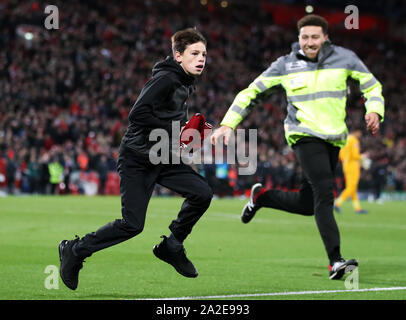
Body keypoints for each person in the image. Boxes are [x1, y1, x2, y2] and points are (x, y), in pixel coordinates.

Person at [211, 14, 384, 280]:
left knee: (307, 203)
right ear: (298, 38)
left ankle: (261, 198)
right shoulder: (285, 65)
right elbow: (251, 92)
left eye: (315, 36)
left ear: (325, 37)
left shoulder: (345, 58)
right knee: (325, 193)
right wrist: (228, 124)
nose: (309, 42)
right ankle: (335, 262)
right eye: (305, 37)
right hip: (302, 135)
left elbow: (372, 86)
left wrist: (374, 110)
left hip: (333, 138)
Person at [59, 28, 213, 290]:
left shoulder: (185, 80)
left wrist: (184, 131)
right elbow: (137, 114)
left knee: (202, 193)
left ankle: (172, 246)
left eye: (204, 54)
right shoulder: (166, 79)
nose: (201, 59)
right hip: (138, 158)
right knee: (132, 225)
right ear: (178, 56)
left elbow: (164, 119)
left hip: (161, 155)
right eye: (194, 53)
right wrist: (176, 131)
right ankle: (75, 249)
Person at [334, 129, 368, 214]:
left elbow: (340, 155)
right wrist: (363, 157)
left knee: (353, 187)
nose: (360, 135)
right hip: (353, 166)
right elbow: (355, 155)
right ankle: (338, 203)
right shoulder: (354, 140)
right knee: (351, 187)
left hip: (346, 165)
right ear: (357, 132)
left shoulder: (345, 140)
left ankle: (357, 208)